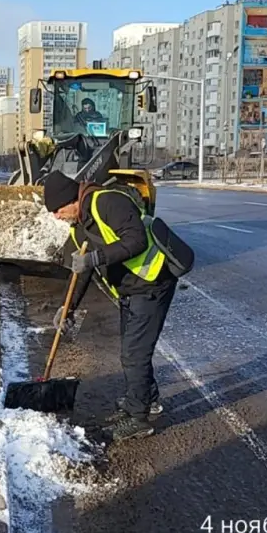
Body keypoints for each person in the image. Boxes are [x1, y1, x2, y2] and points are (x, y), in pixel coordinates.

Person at [43, 171, 178, 441]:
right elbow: (80, 270)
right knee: (132, 350)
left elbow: (136, 240)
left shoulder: (108, 202)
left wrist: (96, 257)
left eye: (57, 209)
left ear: (71, 200)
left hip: (152, 283)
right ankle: (145, 401)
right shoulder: (79, 224)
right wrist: (66, 307)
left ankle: (139, 419)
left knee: (134, 355)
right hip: (131, 289)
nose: (56, 216)